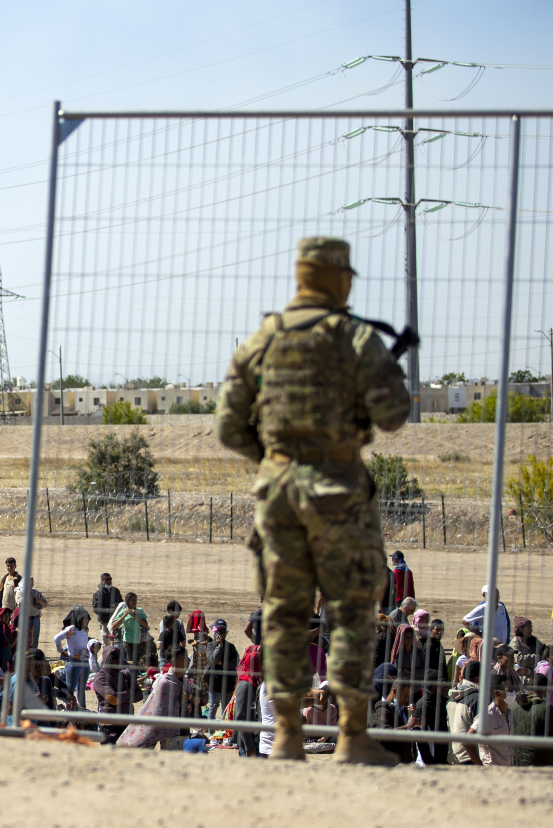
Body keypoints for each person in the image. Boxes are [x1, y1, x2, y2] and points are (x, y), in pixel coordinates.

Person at [216, 237, 411, 765]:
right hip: (338, 489)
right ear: (338, 278)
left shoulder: (264, 337)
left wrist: (275, 459)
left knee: (283, 611)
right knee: (349, 611)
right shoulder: (354, 336)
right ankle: (350, 736)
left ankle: (284, 735)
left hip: (278, 495)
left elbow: (229, 425)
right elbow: (394, 413)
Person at [118, 647, 198, 749]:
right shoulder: (164, 683)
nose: (188, 660)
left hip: (184, 729)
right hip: (170, 733)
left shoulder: (184, 681)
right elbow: (158, 709)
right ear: (174, 661)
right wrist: (181, 701)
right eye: (184, 658)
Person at [368, 670, 416, 764]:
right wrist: (407, 726)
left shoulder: (401, 709)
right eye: (405, 696)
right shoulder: (382, 709)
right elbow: (382, 734)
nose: (407, 700)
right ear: (395, 691)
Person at [469, 674, 515, 766]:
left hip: (509, 771)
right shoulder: (488, 715)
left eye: (512, 689)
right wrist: (480, 766)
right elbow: (466, 740)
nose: (512, 692)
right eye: (508, 689)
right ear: (497, 692)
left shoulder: (509, 713)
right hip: (492, 771)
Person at [53, 606, 92, 710]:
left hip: (85, 662)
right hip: (74, 663)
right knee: (70, 691)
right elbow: (56, 638)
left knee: (82, 689)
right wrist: (61, 651)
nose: (87, 620)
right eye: (85, 618)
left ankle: (83, 710)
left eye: (87, 618)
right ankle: (69, 712)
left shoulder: (85, 630)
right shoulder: (71, 629)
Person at [411, 669, 451, 765]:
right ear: (434, 686)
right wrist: (430, 762)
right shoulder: (423, 706)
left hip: (440, 760)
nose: (445, 686)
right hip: (428, 763)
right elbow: (420, 739)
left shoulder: (439, 703)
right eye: (442, 683)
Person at [449, 660, 483, 765]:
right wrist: (479, 764)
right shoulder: (477, 699)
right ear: (477, 679)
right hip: (472, 758)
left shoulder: (451, 697)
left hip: (454, 757)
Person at [513, 674, 553, 766]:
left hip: (516, 763)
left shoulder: (513, 706)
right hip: (540, 764)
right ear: (544, 689)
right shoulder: (547, 709)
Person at [205, 619, 239, 720]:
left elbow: (235, 663)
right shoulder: (211, 645)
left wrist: (222, 663)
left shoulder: (231, 647)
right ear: (215, 632)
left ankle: (224, 733)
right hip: (214, 683)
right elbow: (214, 660)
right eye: (219, 632)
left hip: (228, 684)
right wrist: (219, 646)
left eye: (224, 632)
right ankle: (211, 733)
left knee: (226, 709)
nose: (222, 634)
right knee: (213, 707)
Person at [107, 592, 147, 664]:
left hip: (137, 640)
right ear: (127, 601)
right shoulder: (123, 611)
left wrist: (137, 616)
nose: (134, 602)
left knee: (135, 660)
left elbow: (145, 625)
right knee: (129, 660)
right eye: (132, 600)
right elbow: (113, 626)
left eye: (135, 600)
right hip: (127, 640)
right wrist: (124, 616)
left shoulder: (140, 611)